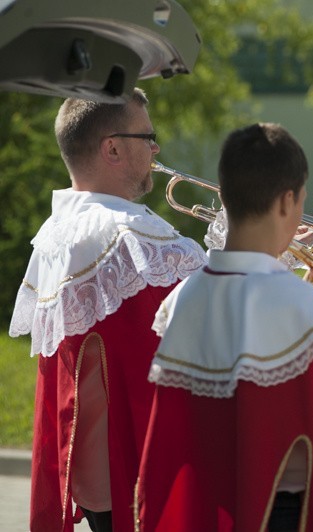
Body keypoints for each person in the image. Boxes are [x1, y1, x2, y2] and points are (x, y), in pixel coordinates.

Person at [135, 122, 313, 531]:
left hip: (207, 510)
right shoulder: (304, 310)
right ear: (287, 202)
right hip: (281, 513)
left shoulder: (181, 298)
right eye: (301, 201)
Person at [8, 89, 207, 532]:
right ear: (113, 148)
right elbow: (225, 309)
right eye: (148, 137)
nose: (156, 149)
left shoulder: (58, 230)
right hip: (139, 478)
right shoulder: (126, 234)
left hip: (100, 477)